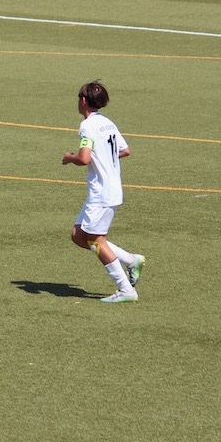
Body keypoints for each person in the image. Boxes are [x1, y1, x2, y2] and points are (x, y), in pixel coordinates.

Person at [61, 81, 145, 303]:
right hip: (111, 188)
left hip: (101, 193)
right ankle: (131, 260)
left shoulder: (87, 126)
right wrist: (103, 158)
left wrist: (70, 158)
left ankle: (126, 289)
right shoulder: (108, 123)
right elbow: (125, 150)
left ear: (83, 100)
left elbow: (84, 158)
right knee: (79, 236)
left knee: (96, 241)